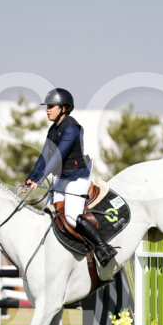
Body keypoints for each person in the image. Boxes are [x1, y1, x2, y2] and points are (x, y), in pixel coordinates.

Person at [23, 88, 117, 266]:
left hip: (77, 179)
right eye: (47, 107)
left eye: (51, 106)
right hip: (62, 179)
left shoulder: (71, 128)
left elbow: (58, 156)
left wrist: (40, 178)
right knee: (48, 214)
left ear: (64, 108)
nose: (47, 110)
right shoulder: (53, 130)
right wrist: (32, 176)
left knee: (72, 217)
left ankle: (104, 248)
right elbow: (45, 155)